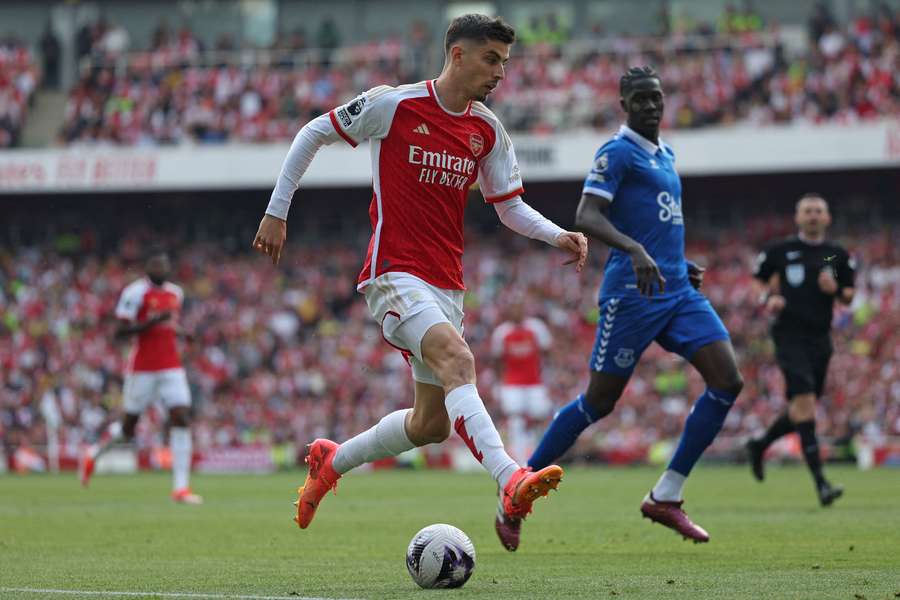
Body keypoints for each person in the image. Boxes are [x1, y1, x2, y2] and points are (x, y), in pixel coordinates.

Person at [252, 14, 587, 553]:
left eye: (504, 61)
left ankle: (331, 462)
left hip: (447, 286)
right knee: (460, 362)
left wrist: (558, 235)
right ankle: (509, 480)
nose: (500, 72)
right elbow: (312, 131)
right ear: (457, 55)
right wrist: (276, 211)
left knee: (431, 424)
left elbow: (509, 207)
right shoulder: (395, 104)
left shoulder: (487, 130)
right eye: (490, 59)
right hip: (394, 273)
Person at [527, 66, 744, 543]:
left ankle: (665, 495)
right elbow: (587, 214)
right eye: (640, 99)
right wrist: (636, 251)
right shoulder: (617, 152)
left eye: (656, 97)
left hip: (676, 290)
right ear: (624, 105)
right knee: (598, 402)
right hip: (632, 294)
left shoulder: (667, 154)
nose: (650, 105)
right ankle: (520, 483)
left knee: (728, 380)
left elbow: (656, 224)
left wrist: (677, 260)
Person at [746, 193, 854, 506]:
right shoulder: (781, 251)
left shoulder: (835, 255)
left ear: (827, 217)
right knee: (805, 405)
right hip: (789, 335)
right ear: (798, 217)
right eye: (807, 211)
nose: (813, 216)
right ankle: (821, 484)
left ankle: (760, 443)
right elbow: (757, 282)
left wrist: (837, 292)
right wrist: (769, 299)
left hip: (821, 338)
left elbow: (848, 294)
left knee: (801, 410)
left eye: (818, 211)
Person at [79, 249, 201, 505]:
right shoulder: (135, 293)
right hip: (142, 368)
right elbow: (120, 331)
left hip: (171, 366)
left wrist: (181, 333)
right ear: (148, 268)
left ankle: (180, 488)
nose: (160, 269)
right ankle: (94, 453)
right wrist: (152, 322)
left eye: (164, 265)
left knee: (182, 417)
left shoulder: (175, 293)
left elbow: (168, 324)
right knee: (127, 429)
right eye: (155, 265)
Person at [491, 300, 553, 464]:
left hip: (534, 382)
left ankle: (537, 453)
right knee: (515, 420)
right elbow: (497, 360)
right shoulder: (502, 332)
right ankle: (520, 460)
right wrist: (499, 384)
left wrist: (547, 374)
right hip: (512, 384)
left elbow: (547, 351)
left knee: (539, 415)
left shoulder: (536, 328)